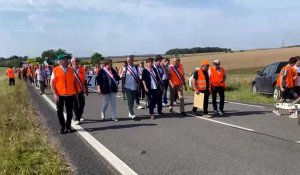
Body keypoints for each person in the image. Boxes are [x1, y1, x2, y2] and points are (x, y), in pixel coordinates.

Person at [50, 54, 78, 134]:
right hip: (60, 95)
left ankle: (68, 127)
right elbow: (52, 83)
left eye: (66, 59)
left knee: (69, 112)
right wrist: (55, 94)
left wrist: (76, 92)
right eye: (64, 59)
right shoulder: (55, 70)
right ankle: (62, 127)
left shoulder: (71, 70)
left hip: (70, 94)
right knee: (60, 111)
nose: (66, 60)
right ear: (60, 61)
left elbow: (74, 82)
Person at [120, 55, 141, 120]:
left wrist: (139, 84)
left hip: (134, 86)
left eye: (130, 60)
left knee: (132, 101)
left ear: (133, 60)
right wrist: (122, 88)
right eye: (127, 60)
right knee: (130, 100)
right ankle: (132, 114)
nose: (128, 62)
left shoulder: (136, 68)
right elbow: (121, 77)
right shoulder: (125, 68)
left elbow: (139, 77)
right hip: (127, 87)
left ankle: (130, 112)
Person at [71, 57, 89, 125]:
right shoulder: (70, 70)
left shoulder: (82, 69)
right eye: (76, 61)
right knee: (75, 104)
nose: (77, 62)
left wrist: (86, 88)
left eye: (78, 61)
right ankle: (77, 118)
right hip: (72, 91)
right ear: (72, 62)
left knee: (82, 104)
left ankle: (79, 115)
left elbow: (85, 80)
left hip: (80, 90)